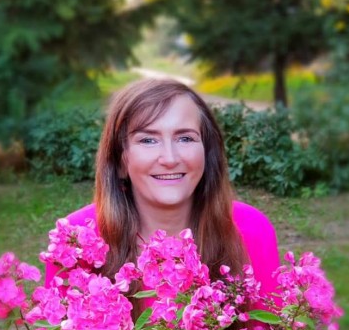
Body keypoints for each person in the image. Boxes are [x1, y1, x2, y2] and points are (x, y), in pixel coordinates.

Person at [45, 78, 280, 309]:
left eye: (185, 138)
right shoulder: (75, 239)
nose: (170, 158)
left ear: (207, 153)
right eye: (148, 140)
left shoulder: (251, 229)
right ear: (120, 160)